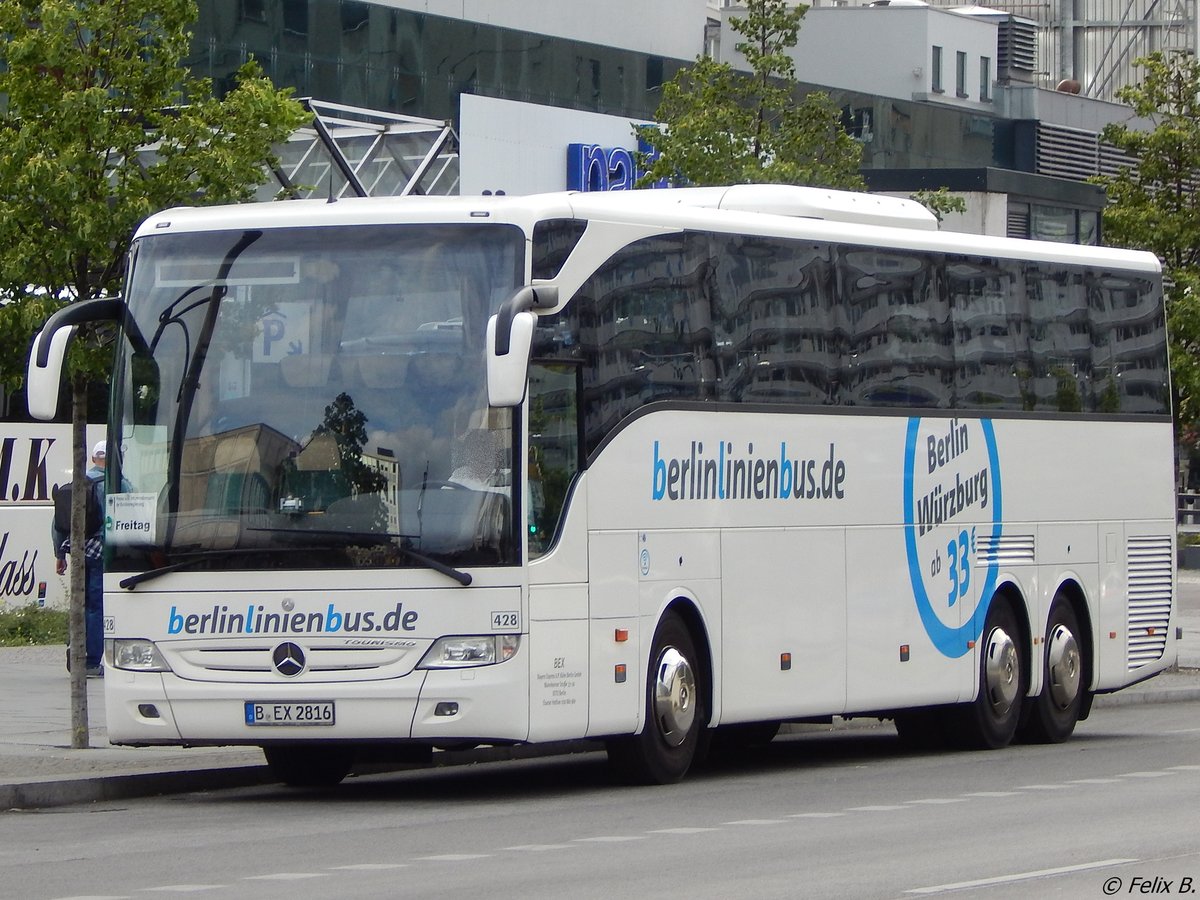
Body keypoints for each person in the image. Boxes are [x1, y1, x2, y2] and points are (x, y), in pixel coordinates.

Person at [53, 441, 108, 677]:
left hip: (76, 549)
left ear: (94, 459)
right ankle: (93, 661)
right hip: (101, 550)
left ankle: (74, 647)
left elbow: (57, 524)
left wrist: (59, 554)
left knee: (78, 603)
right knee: (96, 606)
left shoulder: (77, 484)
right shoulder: (119, 483)